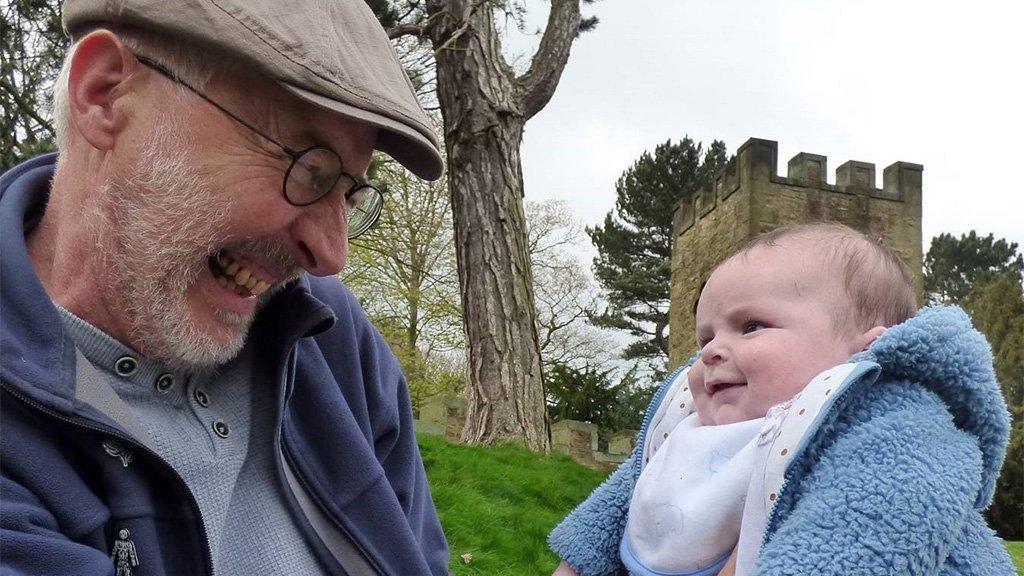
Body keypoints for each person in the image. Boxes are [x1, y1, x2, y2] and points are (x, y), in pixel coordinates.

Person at [0, 0, 449, 574]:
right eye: (308, 167)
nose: (330, 257)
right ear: (105, 94)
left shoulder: (327, 337)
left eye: (350, 195)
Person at [548, 222, 1015, 576]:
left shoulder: (901, 431)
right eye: (705, 334)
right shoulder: (692, 427)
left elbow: (867, 536)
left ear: (862, 350)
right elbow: (616, 510)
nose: (709, 350)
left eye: (751, 326)